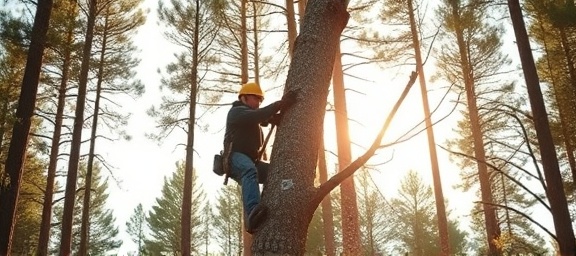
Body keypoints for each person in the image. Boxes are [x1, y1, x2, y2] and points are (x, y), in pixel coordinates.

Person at [223, 82, 297, 234]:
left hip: (251, 161)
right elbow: (258, 115)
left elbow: (262, 118)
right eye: (256, 99)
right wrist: (280, 104)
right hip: (235, 158)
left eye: (260, 100)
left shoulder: (250, 116)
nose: (258, 103)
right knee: (249, 170)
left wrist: (274, 118)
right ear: (244, 98)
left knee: (275, 171)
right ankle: (252, 214)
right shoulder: (236, 112)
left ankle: (276, 206)